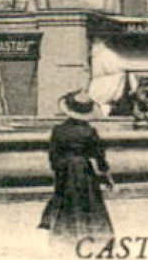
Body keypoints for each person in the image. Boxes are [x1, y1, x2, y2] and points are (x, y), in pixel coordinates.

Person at [38, 91, 116, 244]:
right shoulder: (89, 131)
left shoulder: (58, 130)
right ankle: (92, 235)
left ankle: (63, 235)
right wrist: (106, 175)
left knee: (64, 200)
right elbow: (99, 155)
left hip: (65, 169)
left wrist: (59, 170)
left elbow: (53, 155)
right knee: (89, 201)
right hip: (83, 169)